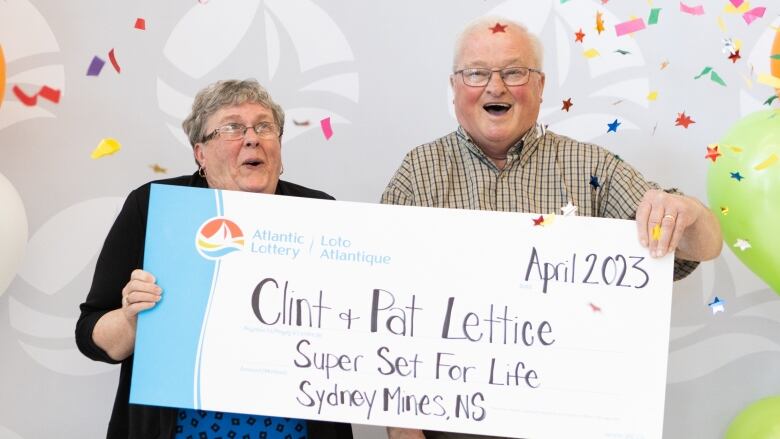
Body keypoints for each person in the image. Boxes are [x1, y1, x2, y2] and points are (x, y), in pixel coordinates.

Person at [381, 16, 722, 439]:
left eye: (513, 72)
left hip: (570, 419)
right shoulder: (418, 172)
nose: (495, 87)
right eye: (476, 73)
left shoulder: (592, 168)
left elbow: (702, 246)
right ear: (454, 89)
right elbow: (384, 305)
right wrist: (401, 426)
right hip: (449, 420)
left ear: (540, 86)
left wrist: (685, 211)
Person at [75, 79, 353, 439]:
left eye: (264, 126)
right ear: (200, 153)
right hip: (185, 427)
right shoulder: (155, 206)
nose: (252, 138)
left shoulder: (320, 212)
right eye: (233, 127)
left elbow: (350, 328)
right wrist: (133, 318)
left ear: (279, 146)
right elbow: (91, 337)